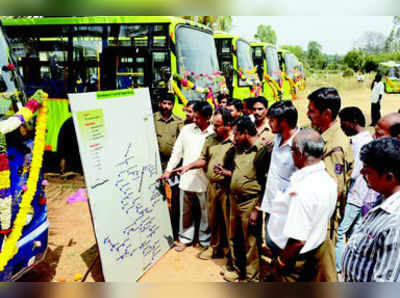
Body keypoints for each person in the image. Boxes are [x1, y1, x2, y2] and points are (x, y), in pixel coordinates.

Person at [266, 129, 337, 282]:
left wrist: (280, 262)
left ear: (299, 152)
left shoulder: (304, 189)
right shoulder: (328, 180)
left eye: (291, 149)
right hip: (313, 252)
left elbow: (298, 240)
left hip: (294, 260)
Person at [175, 108, 233, 266]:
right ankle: (213, 248)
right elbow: (203, 159)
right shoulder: (211, 139)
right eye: (213, 124)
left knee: (228, 223)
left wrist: (227, 173)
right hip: (212, 187)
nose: (214, 128)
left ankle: (229, 255)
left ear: (228, 125)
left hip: (229, 188)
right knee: (212, 220)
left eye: (218, 125)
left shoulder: (235, 141)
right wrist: (189, 166)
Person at [217, 116, 272, 282]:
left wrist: (257, 208)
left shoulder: (262, 151)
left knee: (251, 242)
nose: (233, 139)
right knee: (234, 238)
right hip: (234, 200)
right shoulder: (237, 149)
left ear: (246, 133)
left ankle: (252, 278)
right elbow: (235, 171)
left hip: (251, 202)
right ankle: (237, 270)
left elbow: (266, 182)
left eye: (236, 135)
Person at [342, 138, 400, 282]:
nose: (361, 173)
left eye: (368, 171)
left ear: (388, 177)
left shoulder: (395, 224)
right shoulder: (382, 201)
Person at [160, 101, 214, 252]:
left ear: (208, 117)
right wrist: (168, 170)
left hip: (205, 179)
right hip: (186, 178)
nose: (195, 120)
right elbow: (177, 152)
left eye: (198, 118)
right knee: (186, 212)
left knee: (205, 213)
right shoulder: (186, 130)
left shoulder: (213, 132)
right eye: (194, 117)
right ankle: (185, 239)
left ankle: (204, 241)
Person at [307, 87, 354, 245]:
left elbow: (335, 189)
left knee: (324, 263)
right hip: (318, 213)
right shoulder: (323, 135)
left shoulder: (335, 145)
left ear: (326, 114)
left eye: (312, 111)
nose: (308, 114)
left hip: (324, 217)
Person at [335, 107, 375, 274]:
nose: (342, 126)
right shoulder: (364, 138)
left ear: (353, 123)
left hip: (355, 195)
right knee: (353, 232)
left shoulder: (359, 143)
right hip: (362, 194)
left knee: (339, 233)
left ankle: (338, 268)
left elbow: (355, 171)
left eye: (343, 122)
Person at [260, 100, 300, 242]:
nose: (269, 124)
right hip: (271, 202)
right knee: (271, 240)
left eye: (271, 120)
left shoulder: (300, 145)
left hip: (287, 209)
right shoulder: (276, 139)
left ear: (283, 122)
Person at [153, 93, 184, 171]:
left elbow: (183, 140)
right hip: (155, 162)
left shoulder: (178, 121)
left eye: (169, 104)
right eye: (164, 103)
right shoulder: (151, 119)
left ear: (173, 105)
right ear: (159, 104)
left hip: (172, 163)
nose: (166, 106)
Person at [57, 106, 83, 175]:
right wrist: (62, 158)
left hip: (84, 160)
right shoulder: (68, 123)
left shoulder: (85, 122)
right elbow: (61, 142)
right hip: (71, 160)